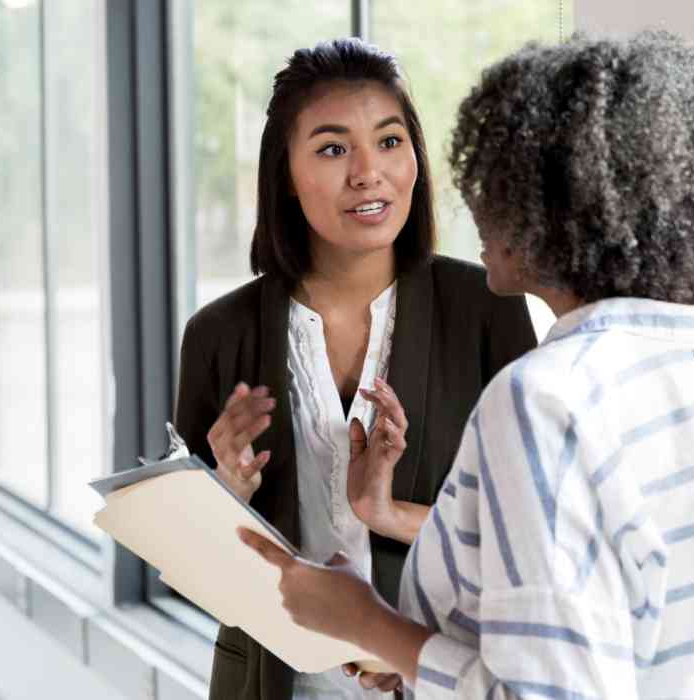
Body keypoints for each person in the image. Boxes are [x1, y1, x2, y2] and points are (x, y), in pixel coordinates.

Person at [238, 30, 694, 699]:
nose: (475, 205)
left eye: (496, 181)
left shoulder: (545, 401)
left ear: (554, 209)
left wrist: (366, 622)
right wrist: (417, 656)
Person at [174, 38, 537, 700]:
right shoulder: (217, 336)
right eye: (334, 148)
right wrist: (227, 491)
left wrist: (392, 510)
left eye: (390, 141)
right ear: (284, 173)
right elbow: (191, 573)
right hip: (276, 684)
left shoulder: (486, 309)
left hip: (442, 676)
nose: (369, 172)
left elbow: (529, 534)